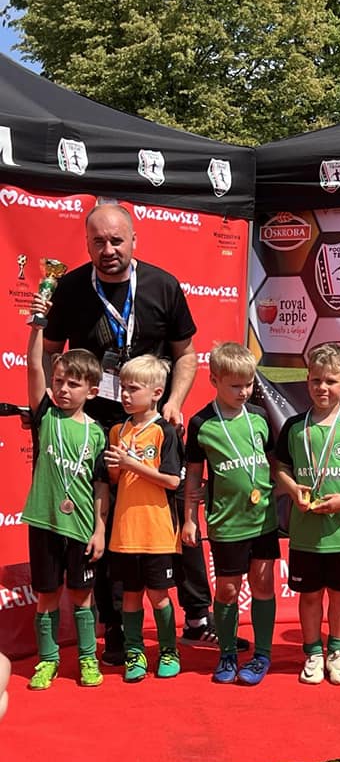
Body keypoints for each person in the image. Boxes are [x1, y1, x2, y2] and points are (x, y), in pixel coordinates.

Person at [42, 201, 221, 662]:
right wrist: (56, 402)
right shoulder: (70, 288)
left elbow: (185, 354)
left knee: (176, 515)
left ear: (134, 241)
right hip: (97, 425)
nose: (108, 250)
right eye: (98, 241)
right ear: (87, 245)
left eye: (117, 240)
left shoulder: (162, 285)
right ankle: (116, 627)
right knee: (102, 520)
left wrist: (174, 402)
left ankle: (197, 617)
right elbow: (50, 350)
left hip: (154, 422)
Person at [22, 296, 109, 689]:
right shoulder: (45, 414)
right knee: (46, 595)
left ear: (92, 390)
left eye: (73, 384)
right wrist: (38, 328)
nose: (63, 389)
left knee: (81, 594)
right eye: (58, 381)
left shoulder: (97, 433)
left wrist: (100, 529)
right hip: (44, 520)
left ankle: (88, 659)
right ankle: (48, 660)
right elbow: (33, 368)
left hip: (82, 525)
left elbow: (100, 485)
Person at [275, 343, 340, 685]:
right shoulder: (293, 426)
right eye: (316, 380)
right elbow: (281, 468)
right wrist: (293, 489)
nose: (322, 387)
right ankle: (313, 653)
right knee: (310, 595)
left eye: (331, 381)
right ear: (307, 381)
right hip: (305, 532)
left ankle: (337, 652)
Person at [183, 342, 279, 686]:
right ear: (214, 381)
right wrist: (190, 519)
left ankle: (262, 654)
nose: (243, 392)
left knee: (263, 584)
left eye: (249, 384)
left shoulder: (260, 416)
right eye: (235, 385)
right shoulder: (201, 423)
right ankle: (226, 653)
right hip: (226, 522)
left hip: (263, 519)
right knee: (226, 590)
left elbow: (272, 463)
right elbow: (193, 475)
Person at [104, 355, 182, 682]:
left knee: (159, 596)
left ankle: (168, 650)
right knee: (131, 595)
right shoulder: (117, 430)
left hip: (157, 531)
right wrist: (116, 467)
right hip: (125, 531)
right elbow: (114, 480)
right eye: (123, 387)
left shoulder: (165, 431)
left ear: (156, 393)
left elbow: (172, 481)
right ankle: (134, 652)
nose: (125, 394)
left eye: (133, 389)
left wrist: (131, 463)